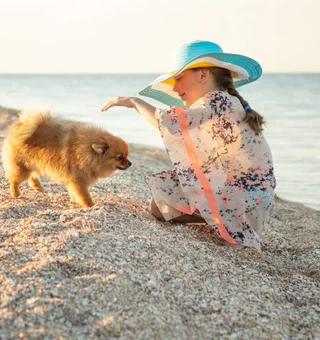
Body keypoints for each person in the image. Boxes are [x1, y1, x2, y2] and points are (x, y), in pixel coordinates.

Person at [102, 40, 276, 250]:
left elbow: (168, 123)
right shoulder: (228, 101)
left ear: (203, 75)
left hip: (242, 198)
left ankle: (231, 224)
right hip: (256, 201)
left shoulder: (216, 101)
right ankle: (223, 221)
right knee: (160, 205)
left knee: (161, 204)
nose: (175, 88)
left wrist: (134, 102)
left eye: (179, 79)